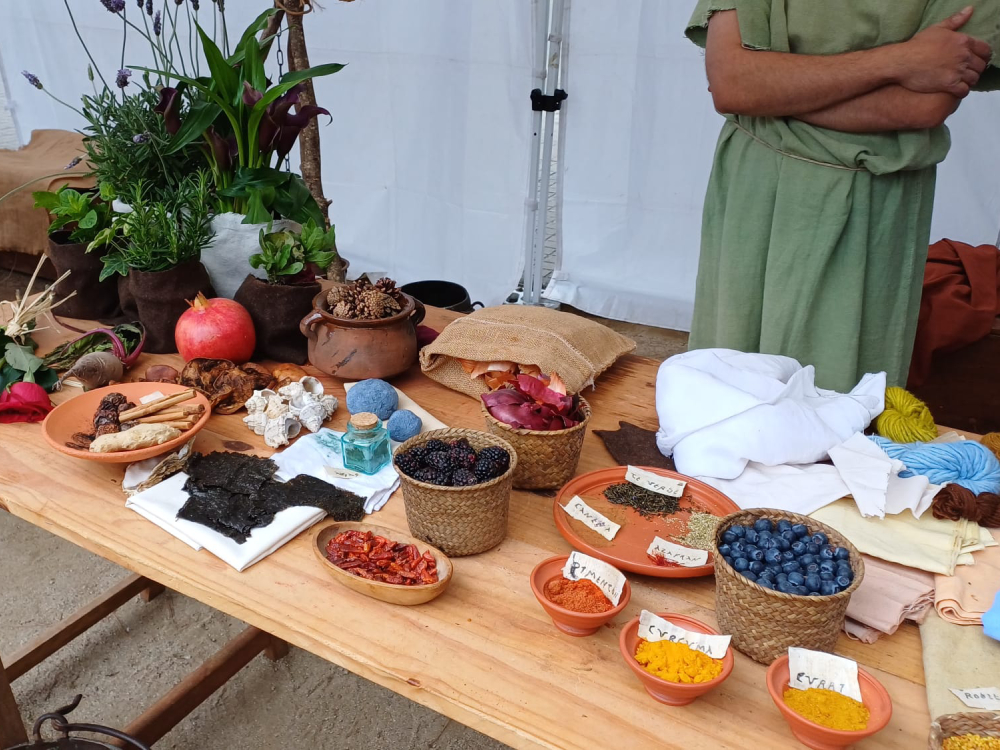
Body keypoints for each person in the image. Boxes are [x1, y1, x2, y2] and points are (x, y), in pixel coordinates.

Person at [686, 2, 998, 392]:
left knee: (835, 402)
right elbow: (734, 83)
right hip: (751, 191)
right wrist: (901, 60)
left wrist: (775, 88)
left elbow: (922, 107)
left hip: (870, 206)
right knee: (720, 391)